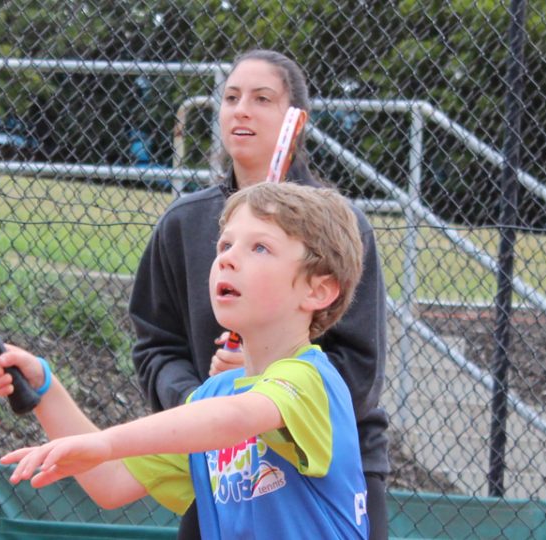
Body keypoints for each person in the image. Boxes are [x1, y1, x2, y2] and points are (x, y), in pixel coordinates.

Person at [0, 182, 369, 539]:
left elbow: (234, 420)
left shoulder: (311, 381)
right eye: (225, 245)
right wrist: (44, 388)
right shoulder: (212, 397)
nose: (227, 259)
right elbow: (110, 482)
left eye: (260, 247)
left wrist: (106, 442)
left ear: (319, 291)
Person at [129, 49, 390, 539]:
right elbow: (154, 345)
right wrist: (203, 404)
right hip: (218, 460)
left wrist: (261, 393)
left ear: (296, 119)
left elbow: (359, 365)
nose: (240, 109)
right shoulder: (183, 223)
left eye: (261, 98)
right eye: (230, 97)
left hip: (323, 461)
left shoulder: (336, 226)